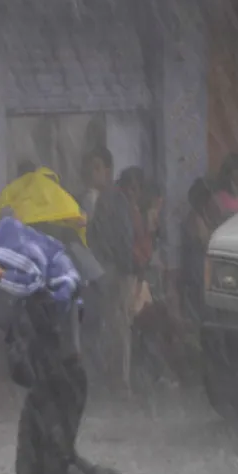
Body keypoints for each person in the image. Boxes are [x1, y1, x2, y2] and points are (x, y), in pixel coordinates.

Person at [0, 215, 147, 474]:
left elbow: (29, 287)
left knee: (59, 468)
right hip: (45, 383)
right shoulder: (28, 285)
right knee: (29, 469)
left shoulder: (44, 282)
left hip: (61, 381)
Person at [87, 166, 149, 393]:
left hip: (108, 268)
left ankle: (111, 378)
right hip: (121, 271)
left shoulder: (109, 200)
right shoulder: (122, 204)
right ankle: (120, 382)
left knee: (113, 324)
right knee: (120, 327)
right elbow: (124, 240)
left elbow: (96, 234)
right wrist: (131, 267)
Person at [180, 177, 222, 322]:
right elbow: (207, 242)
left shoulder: (205, 217)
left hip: (204, 271)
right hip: (197, 272)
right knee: (202, 311)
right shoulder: (194, 219)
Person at [79, 146, 114, 222]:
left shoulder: (116, 203)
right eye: (88, 167)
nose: (91, 172)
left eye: (96, 168)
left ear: (107, 173)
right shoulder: (75, 200)